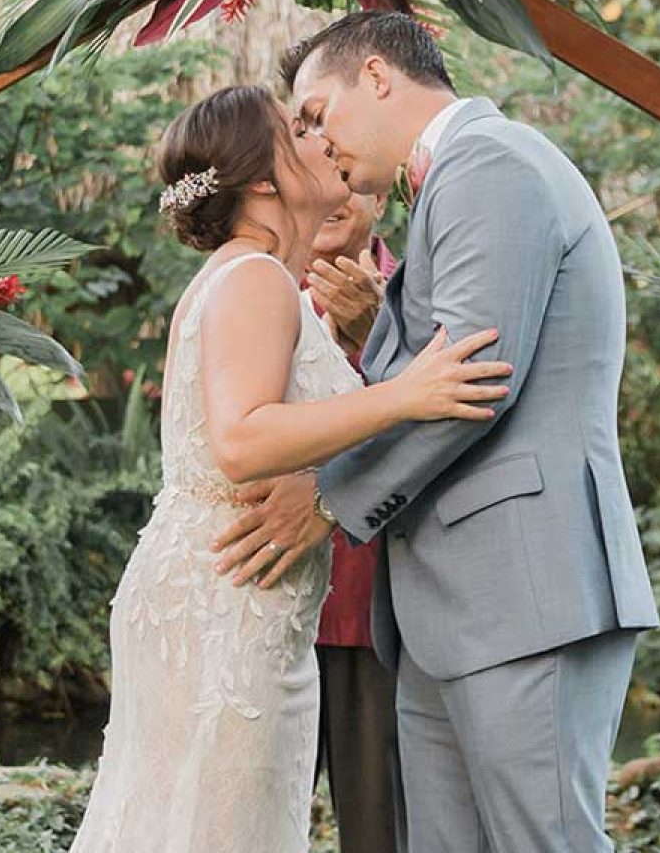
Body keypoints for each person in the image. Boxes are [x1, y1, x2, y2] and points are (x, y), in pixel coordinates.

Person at [211, 13, 660, 853]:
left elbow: (472, 388)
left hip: (527, 598)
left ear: (377, 77)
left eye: (315, 113)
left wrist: (328, 499)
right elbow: (425, 374)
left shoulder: (491, 166)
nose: (313, 142)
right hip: (452, 611)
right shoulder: (459, 180)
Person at [68, 85, 511, 853]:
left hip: (231, 593)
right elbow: (242, 440)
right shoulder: (254, 279)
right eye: (298, 131)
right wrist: (404, 397)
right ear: (267, 177)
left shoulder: (248, 276)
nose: (323, 139)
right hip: (226, 604)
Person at [305, 192, 408, 853]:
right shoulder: (255, 292)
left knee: (379, 834)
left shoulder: (419, 294)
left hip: (379, 606)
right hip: (264, 595)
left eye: (348, 173)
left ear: (379, 194)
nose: (332, 194)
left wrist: (380, 335)